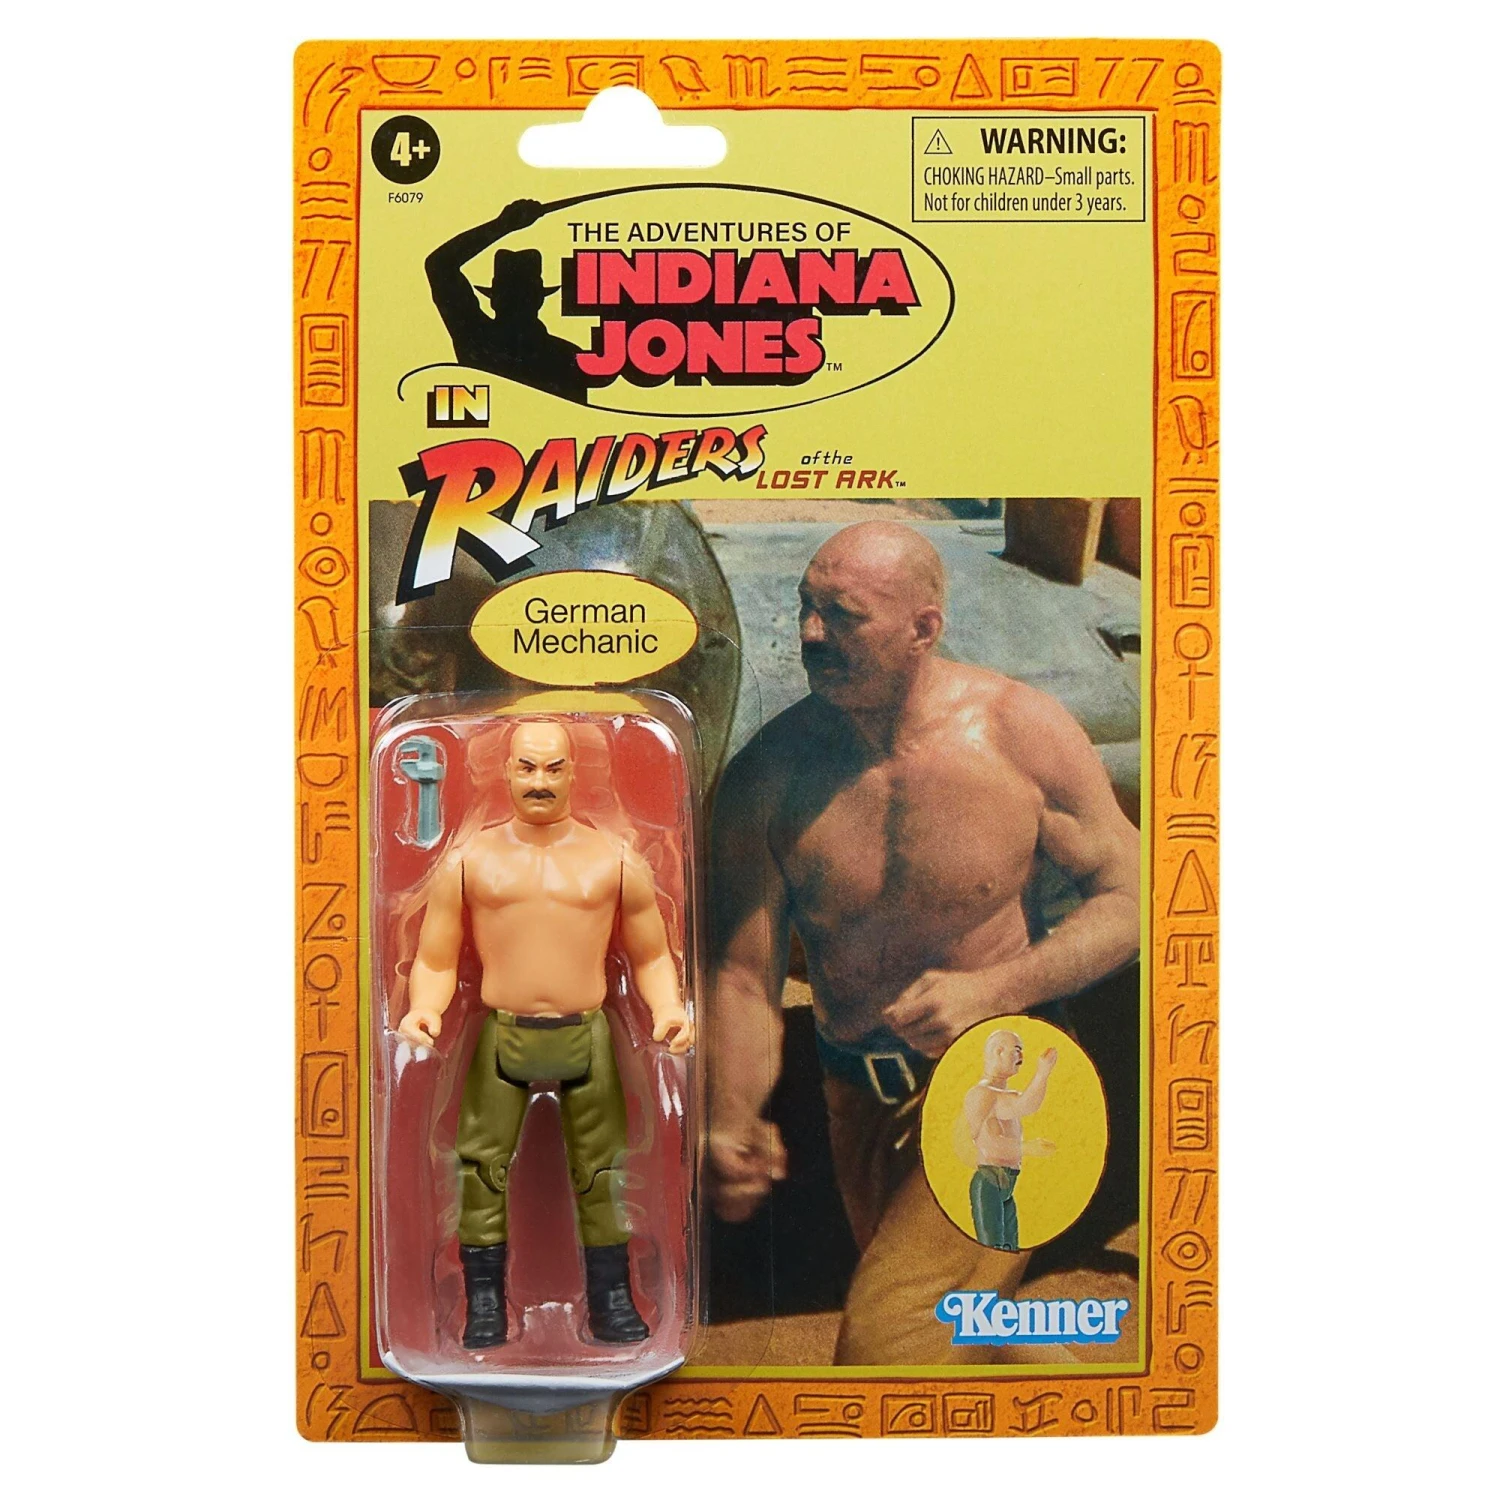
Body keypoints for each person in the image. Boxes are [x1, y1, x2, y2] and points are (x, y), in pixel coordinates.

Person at [707, 520, 1139, 1364]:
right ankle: (1082, 1406)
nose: (810, 634)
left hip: (1004, 1079)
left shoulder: (1020, 733)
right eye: (805, 608)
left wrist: (995, 989)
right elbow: (742, 980)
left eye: (843, 614)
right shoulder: (769, 778)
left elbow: (1131, 896)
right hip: (856, 1096)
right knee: (960, 1333)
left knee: (888, 1343)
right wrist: (731, 1113)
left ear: (923, 628)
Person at [398, 720, 693, 1347]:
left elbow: (650, 954)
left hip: (587, 1037)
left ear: (573, 773)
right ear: (505, 771)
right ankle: (483, 1304)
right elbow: (436, 958)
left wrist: (667, 1008)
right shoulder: (470, 861)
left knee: (603, 1172)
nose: (540, 781)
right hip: (502, 1037)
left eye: (554, 768)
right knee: (480, 1171)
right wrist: (424, 1008)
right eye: (527, 767)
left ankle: (611, 1299)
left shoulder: (613, 859)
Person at [424, 197, 588, 402]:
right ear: (539, 299)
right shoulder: (567, 356)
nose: (516, 301)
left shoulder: (475, 338)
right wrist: (503, 225)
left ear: (494, 299)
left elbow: (440, 265)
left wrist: (502, 226)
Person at [963, 1032, 1057, 1252]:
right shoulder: (982, 1094)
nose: (1021, 1056)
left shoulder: (999, 1095)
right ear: (999, 1052)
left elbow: (1025, 1105)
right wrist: (1027, 1147)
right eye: (1016, 1049)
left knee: (1010, 1248)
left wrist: (1043, 1073)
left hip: (1007, 1182)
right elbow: (989, 1143)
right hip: (991, 1181)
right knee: (993, 1250)